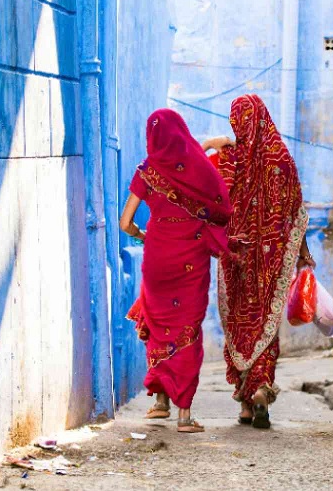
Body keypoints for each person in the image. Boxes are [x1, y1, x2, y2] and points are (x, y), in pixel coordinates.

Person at [201, 94, 316, 429]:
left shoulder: (230, 159)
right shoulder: (281, 158)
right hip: (271, 260)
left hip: (235, 256)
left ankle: (245, 404)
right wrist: (302, 252)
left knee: (240, 324)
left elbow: (211, 197)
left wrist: (218, 142)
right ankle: (261, 389)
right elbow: (297, 213)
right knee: (266, 324)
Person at [120, 109, 232, 434]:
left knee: (158, 325)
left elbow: (125, 222)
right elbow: (221, 209)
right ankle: (184, 415)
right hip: (190, 257)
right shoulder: (198, 167)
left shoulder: (147, 171)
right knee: (186, 327)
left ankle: (159, 403)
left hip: (157, 256)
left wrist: (144, 235)